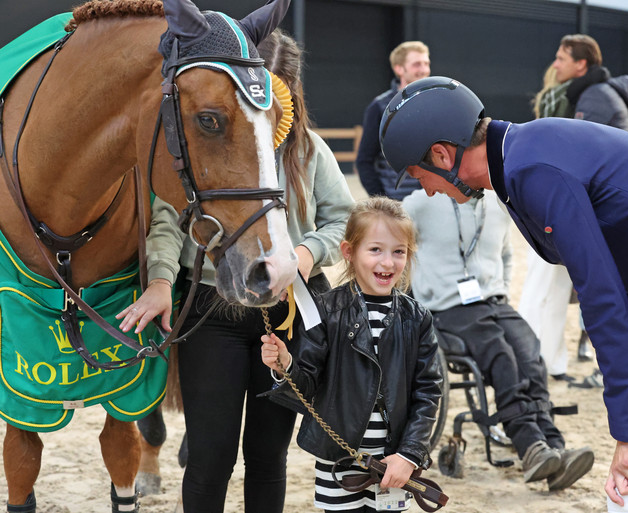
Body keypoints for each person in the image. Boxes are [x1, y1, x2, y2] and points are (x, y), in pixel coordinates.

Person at [378, 75, 628, 513]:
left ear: (441, 154)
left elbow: (604, 297)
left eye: (418, 175)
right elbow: (619, 281)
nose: (426, 189)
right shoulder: (522, 155)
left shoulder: (531, 170)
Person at [116, 29, 356, 513]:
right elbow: (166, 219)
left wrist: (305, 256)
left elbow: (343, 219)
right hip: (212, 309)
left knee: (269, 457)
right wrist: (162, 279)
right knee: (210, 456)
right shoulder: (200, 148)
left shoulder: (307, 150)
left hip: (287, 313)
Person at [402, 188, 594, 490]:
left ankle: (554, 447)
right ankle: (529, 445)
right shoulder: (419, 204)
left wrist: (500, 290)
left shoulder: (495, 203)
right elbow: (397, 249)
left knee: (531, 353)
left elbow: (505, 254)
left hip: (493, 301)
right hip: (447, 307)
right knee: (500, 353)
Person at [260, 196, 443, 512]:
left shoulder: (417, 318)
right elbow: (307, 387)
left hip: (393, 465)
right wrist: (285, 364)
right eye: (375, 250)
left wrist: (410, 454)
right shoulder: (326, 311)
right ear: (349, 252)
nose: (387, 262)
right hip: (339, 460)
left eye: (398, 252)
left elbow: (428, 392)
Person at [520, 34, 628, 383]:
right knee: (556, 285)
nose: (555, 64)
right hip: (584, 209)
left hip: (583, 211)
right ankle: (550, 361)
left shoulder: (593, 99)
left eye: (561, 58)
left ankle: (535, 361)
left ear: (581, 64)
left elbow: (579, 163)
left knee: (548, 284)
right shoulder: (583, 94)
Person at [355, 41, 430, 200]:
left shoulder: (439, 102)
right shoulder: (380, 107)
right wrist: (384, 200)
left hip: (434, 201)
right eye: (417, 64)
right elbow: (364, 161)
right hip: (399, 205)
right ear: (399, 68)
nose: (424, 70)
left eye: (426, 63)